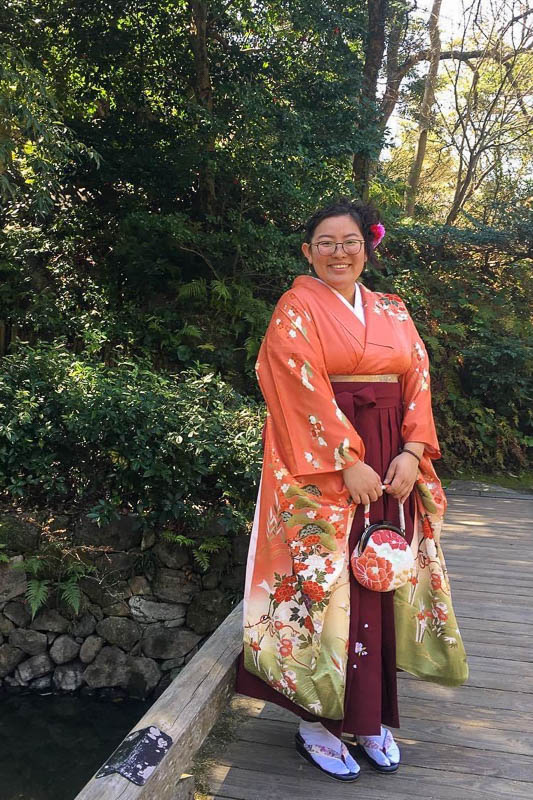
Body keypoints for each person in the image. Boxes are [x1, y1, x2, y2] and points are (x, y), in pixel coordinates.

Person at [235, 198, 468, 781]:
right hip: (322, 462)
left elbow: (418, 379)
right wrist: (345, 462)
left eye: (351, 242)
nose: (339, 252)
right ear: (307, 251)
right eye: (326, 242)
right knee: (326, 576)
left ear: (369, 247)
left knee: (379, 570)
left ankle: (368, 718)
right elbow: (295, 386)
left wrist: (413, 454)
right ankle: (315, 722)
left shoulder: (393, 309)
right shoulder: (295, 308)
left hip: (391, 455)